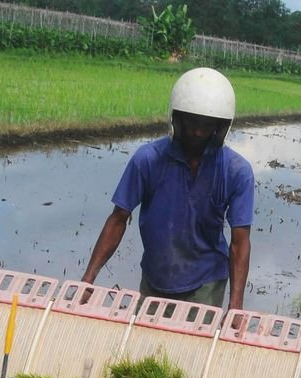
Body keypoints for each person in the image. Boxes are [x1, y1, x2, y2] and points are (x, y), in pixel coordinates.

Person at [81, 67, 254, 310]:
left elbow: (240, 242)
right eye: (192, 122)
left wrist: (236, 307)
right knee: (147, 347)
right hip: (155, 276)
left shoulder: (236, 171)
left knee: (191, 346)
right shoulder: (148, 160)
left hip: (206, 282)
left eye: (206, 125)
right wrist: (87, 281)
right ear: (176, 118)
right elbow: (119, 218)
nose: (197, 131)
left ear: (220, 126)